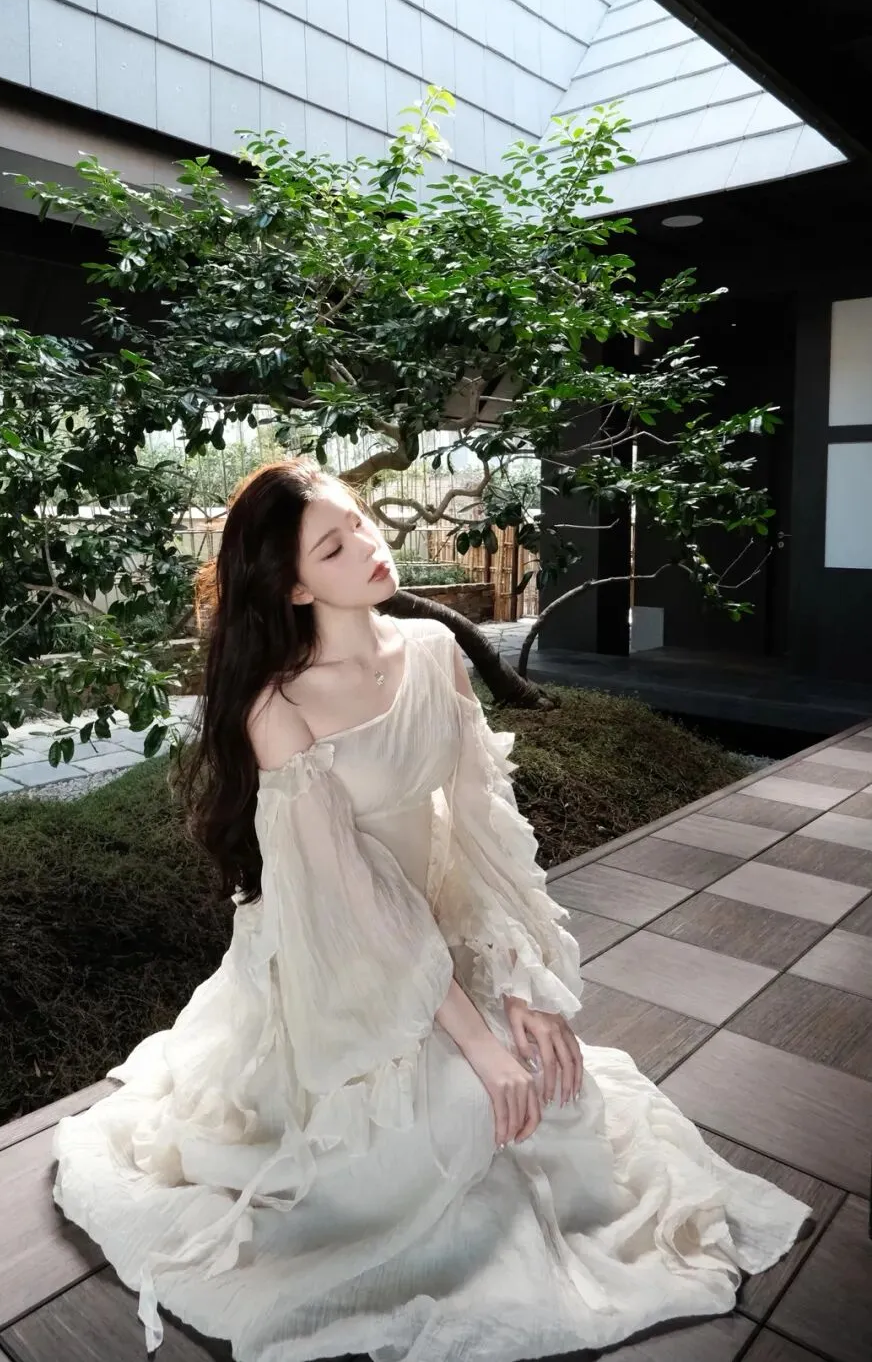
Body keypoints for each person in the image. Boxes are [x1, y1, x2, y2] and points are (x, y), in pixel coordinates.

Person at [50, 458, 813, 1362]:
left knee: (556, 1092)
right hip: (337, 952)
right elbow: (354, 901)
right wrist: (478, 1043)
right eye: (333, 548)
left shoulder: (434, 650)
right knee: (462, 1116)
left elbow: (478, 832)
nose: (369, 547)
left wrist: (519, 978)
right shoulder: (278, 705)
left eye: (361, 522)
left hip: (438, 929)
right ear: (294, 587)